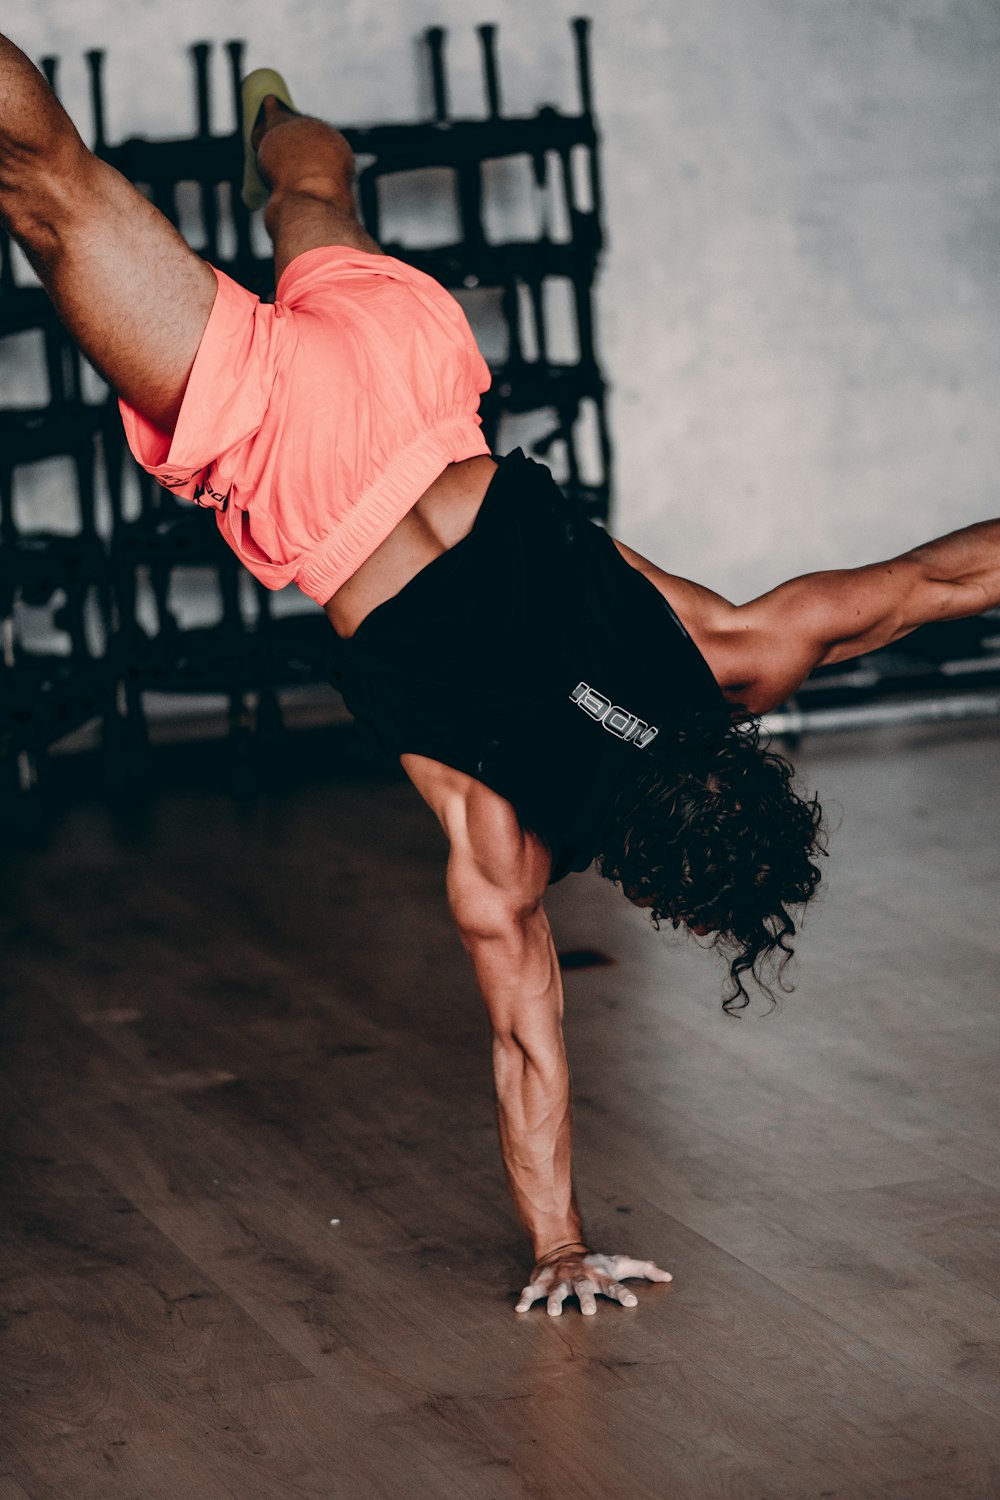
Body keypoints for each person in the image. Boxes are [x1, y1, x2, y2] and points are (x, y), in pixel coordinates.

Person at [2, 39, 997, 1318]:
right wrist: (559, 1248)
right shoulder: (507, 839)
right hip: (289, 446)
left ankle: (282, 120)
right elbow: (529, 1045)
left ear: (748, 759)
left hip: (408, 373)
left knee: (315, 205)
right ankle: (274, 137)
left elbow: (929, 585)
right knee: (48, 191)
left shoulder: (732, 659)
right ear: (638, 874)